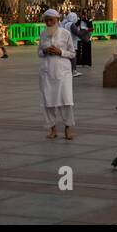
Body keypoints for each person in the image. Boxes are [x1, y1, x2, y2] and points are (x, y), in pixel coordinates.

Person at [37, 8, 75, 139]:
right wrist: (46, 51)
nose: (48, 23)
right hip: (47, 72)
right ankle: (52, 129)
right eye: (46, 20)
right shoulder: (42, 34)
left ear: (57, 20)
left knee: (66, 100)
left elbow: (72, 53)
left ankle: (68, 128)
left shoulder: (65, 34)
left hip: (63, 72)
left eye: (51, 20)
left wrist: (60, 52)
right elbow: (39, 53)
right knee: (48, 101)